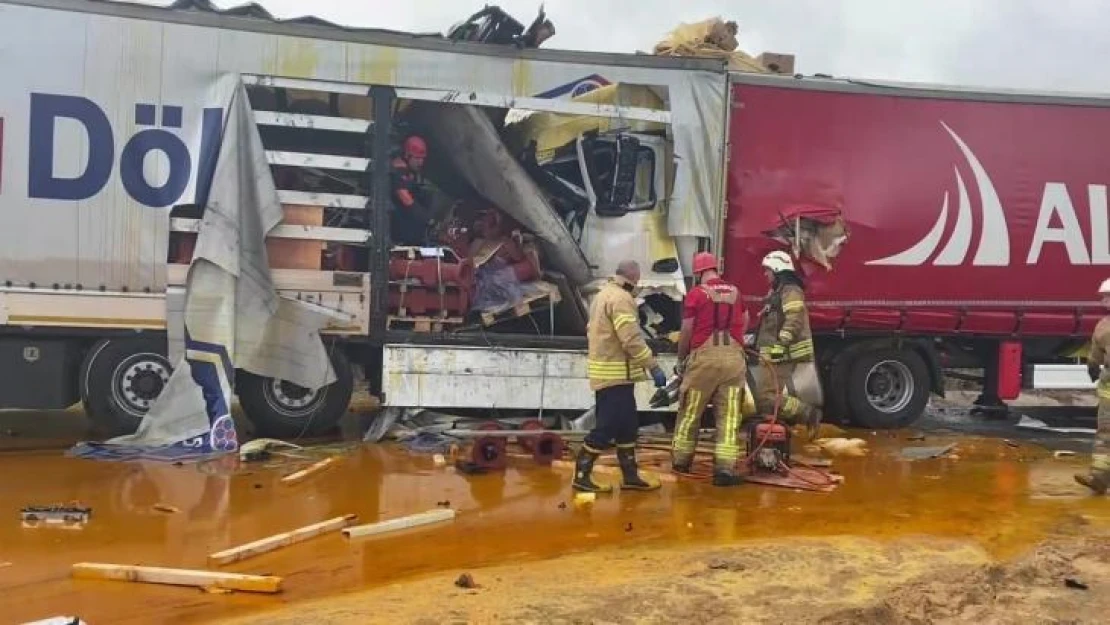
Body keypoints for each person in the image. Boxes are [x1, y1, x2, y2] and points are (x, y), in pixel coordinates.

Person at [574, 260, 668, 493]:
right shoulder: (622, 299)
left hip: (613, 375)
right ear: (633, 277)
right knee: (607, 428)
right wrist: (653, 366)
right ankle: (581, 475)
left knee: (628, 427)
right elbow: (631, 340)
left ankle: (630, 476)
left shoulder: (603, 294)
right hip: (615, 375)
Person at [671, 252, 748, 486]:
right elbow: (745, 320)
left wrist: (682, 358)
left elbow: (687, 329)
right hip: (734, 359)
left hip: (704, 360)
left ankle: (682, 461)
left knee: (691, 410)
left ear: (698, 273)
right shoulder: (736, 292)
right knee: (730, 414)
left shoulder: (697, 294)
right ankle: (725, 468)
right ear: (716, 269)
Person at [754, 250, 821, 437]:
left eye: (768, 270)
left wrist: (782, 343)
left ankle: (807, 413)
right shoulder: (777, 291)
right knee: (766, 399)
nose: (765, 274)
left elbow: (794, 318)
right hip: (774, 352)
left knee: (765, 398)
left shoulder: (791, 291)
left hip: (782, 353)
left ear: (777, 270)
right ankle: (775, 431)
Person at [1076, 278, 1110, 495]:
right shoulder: (1103, 325)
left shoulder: (1104, 325)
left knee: (1106, 434)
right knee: (1105, 434)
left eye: (1108, 297)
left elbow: (1095, 356)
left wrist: (1093, 367)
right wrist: (1093, 366)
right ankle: (1099, 478)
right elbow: (1095, 354)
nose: (1104, 301)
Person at [390, 135, 434, 246]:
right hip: (395, 222)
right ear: (407, 155)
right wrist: (423, 216)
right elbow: (403, 194)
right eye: (417, 158)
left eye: (422, 159)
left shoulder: (409, 171)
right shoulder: (399, 170)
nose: (421, 162)